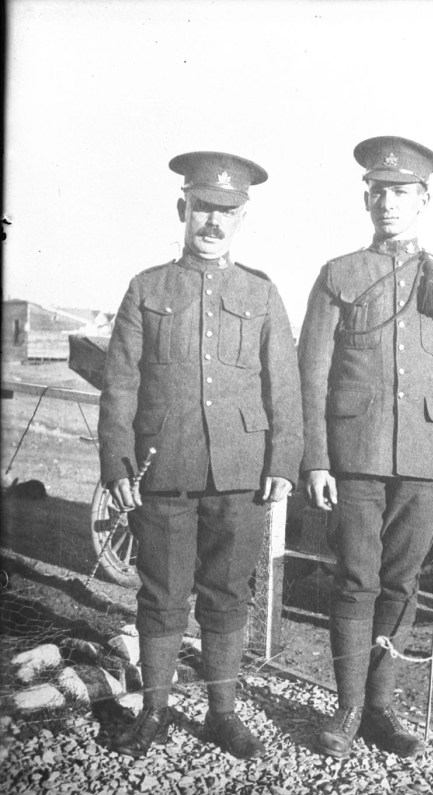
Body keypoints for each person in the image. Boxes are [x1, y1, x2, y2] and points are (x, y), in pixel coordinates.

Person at [98, 150, 303, 760]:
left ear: (243, 218)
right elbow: (121, 387)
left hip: (241, 471)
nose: (214, 222)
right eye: (204, 209)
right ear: (183, 207)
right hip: (164, 467)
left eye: (227, 212)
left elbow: (283, 387)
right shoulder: (147, 288)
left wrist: (283, 464)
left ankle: (221, 713)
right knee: (161, 593)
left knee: (228, 593)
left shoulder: (261, 294)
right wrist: (117, 465)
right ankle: (156, 711)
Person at [298, 136, 433, 760]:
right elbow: (311, 374)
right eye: (379, 192)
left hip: (426, 460)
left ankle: (380, 708)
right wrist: (316, 458)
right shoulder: (338, 275)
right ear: (365, 198)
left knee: (402, 584)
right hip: (355, 455)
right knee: (355, 580)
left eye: (401, 192)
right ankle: (346, 709)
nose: (389, 203)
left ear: (424, 200)